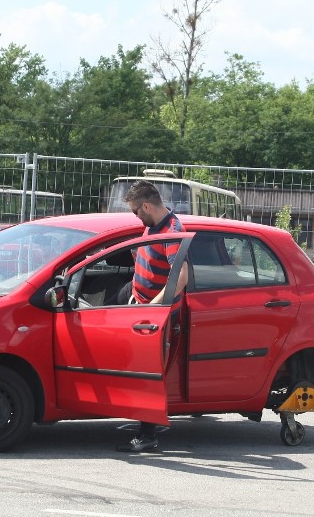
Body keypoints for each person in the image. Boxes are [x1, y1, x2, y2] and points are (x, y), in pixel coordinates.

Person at [116, 180, 188, 453]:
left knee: (148, 370)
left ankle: (147, 436)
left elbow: (181, 277)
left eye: (135, 211)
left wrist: (154, 308)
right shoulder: (153, 225)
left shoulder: (172, 232)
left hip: (154, 311)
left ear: (147, 206)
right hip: (136, 297)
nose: (135, 216)